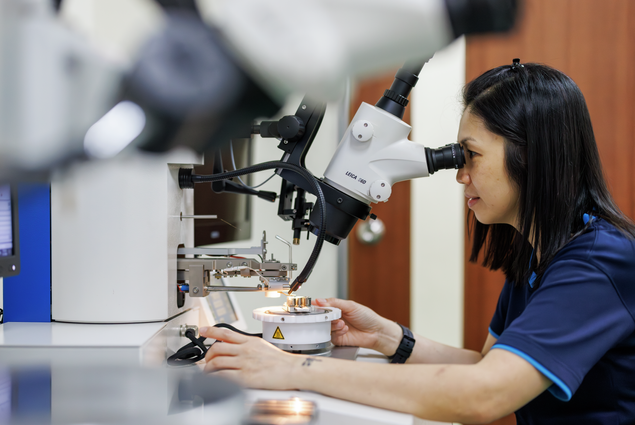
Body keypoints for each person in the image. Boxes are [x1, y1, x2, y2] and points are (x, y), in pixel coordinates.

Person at [200, 61, 635, 424]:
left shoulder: (596, 263)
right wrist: (388, 337)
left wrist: (294, 369)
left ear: (529, 154)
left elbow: (484, 395)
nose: (461, 175)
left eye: (472, 155)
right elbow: (489, 366)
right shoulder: (540, 254)